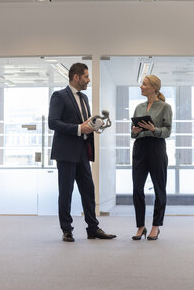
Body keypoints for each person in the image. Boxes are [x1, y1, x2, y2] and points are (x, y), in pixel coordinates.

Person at [48, 63, 116, 242]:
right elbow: (53, 123)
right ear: (76, 77)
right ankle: (67, 230)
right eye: (86, 76)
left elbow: (84, 123)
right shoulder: (59, 96)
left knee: (88, 191)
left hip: (83, 153)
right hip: (65, 153)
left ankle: (93, 228)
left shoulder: (84, 98)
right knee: (66, 192)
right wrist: (79, 128)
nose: (89, 80)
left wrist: (94, 124)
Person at [131, 75, 172, 241]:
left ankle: (156, 226)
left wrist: (154, 129)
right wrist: (134, 132)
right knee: (137, 189)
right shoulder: (138, 107)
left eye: (144, 84)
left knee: (159, 188)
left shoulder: (165, 107)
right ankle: (140, 226)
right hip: (140, 148)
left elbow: (167, 131)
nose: (141, 86)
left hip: (157, 148)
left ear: (154, 88)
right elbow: (132, 131)